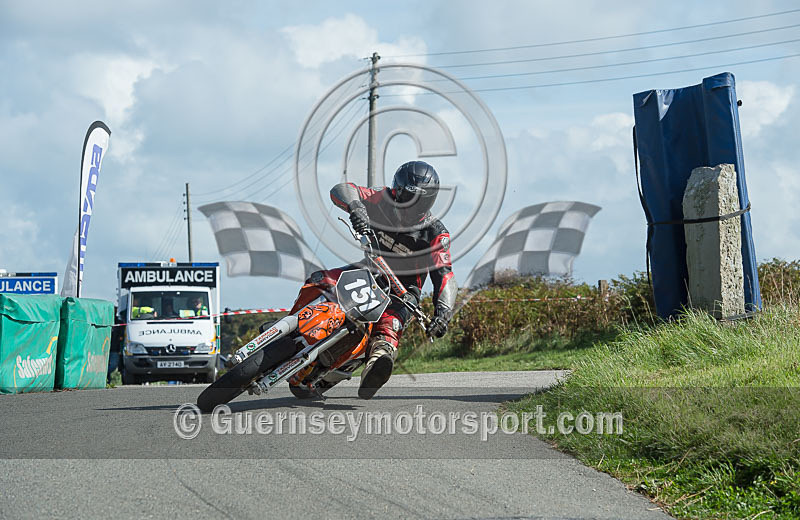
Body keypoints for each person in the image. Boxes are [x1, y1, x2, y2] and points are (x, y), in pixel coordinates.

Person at [291, 160, 457, 399]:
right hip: (368, 271)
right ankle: (291, 322)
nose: (412, 205)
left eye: (420, 200)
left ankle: (377, 363)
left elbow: (444, 274)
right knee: (320, 280)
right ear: (396, 189)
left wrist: (443, 314)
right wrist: (356, 207)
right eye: (408, 196)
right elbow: (342, 189)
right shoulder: (381, 198)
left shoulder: (436, 232)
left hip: (404, 293)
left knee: (387, 330)